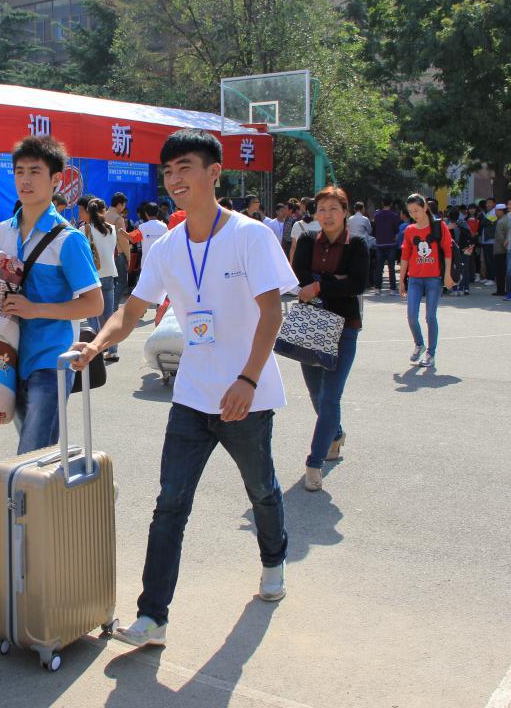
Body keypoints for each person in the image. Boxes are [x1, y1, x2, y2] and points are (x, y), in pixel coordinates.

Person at [71, 128, 297, 648]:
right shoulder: (168, 247)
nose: (175, 179)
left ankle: (273, 560)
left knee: (261, 489)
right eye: (168, 171)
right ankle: (153, 617)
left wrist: (247, 379)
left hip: (246, 397)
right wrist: (96, 343)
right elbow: (131, 311)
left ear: (214, 173)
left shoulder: (250, 235)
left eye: (185, 168)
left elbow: (272, 313)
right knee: (170, 503)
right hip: (193, 396)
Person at [0, 136, 101, 456]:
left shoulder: (69, 239)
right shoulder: (2, 231)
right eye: (19, 172)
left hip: (52, 358)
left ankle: (26, 490)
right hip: (7, 356)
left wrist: (35, 309)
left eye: (35, 171)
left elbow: (94, 303)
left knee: (31, 452)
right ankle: (55, 487)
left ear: (56, 179)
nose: (25, 180)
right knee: (40, 454)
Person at [291, 186, 368, 491]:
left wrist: (319, 285)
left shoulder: (357, 244)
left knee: (329, 397)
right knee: (316, 394)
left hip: (344, 327)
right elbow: (298, 276)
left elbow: (358, 283)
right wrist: (334, 281)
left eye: (334, 209)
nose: (327, 215)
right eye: (321, 209)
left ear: (345, 212)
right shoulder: (308, 240)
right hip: (311, 325)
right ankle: (335, 435)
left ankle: (314, 463)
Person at [399, 194, 454, 369]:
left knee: (430, 316)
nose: (414, 214)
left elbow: (448, 251)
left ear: (425, 208)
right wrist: (401, 280)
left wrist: (447, 275)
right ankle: (419, 344)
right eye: (410, 212)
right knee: (411, 316)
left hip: (434, 278)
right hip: (414, 278)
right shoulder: (409, 230)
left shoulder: (439, 226)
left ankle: (431, 353)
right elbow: (405, 255)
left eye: (416, 210)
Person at [79, 196, 119, 362]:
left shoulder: (84, 229)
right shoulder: (112, 228)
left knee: (92, 313)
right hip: (109, 273)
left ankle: (95, 347)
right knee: (108, 315)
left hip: (92, 275)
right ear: (104, 211)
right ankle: (113, 350)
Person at [105, 193, 134, 295]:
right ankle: (113, 304)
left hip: (105, 253)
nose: (124, 207)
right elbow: (123, 240)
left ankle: (108, 304)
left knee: (109, 283)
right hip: (118, 253)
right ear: (119, 204)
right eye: (124, 205)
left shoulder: (103, 215)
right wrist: (128, 257)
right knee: (122, 283)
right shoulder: (118, 219)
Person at [372, 197, 401, 295]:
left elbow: (374, 229)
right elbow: (397, 231)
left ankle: (377, 288)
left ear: (382, 203)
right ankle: (392, 289)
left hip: (379, 244)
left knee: (379, 268)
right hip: (391, 244)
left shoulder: (377, 215)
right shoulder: (394, 215)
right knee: (391, 268)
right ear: (391, 204)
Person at [491, 203, 510, 296]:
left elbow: (500, 237)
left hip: (500, 250)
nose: (495, 213)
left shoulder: (500, 222)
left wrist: (504, 247)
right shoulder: (508, 219)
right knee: (505, 271)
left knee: (499, 271)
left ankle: (500, 290)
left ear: (500, 211)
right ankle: (506, 289)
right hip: (507, 249)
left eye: (496, 211)